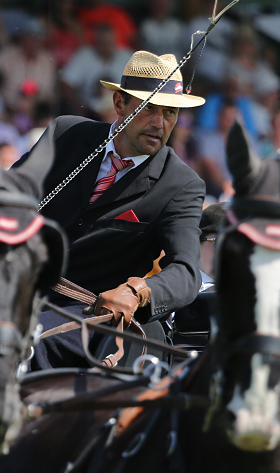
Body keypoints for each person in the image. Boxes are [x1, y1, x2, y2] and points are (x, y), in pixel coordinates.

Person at [11, 51, 206, 371]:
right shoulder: (65, 133)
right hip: (13, 289)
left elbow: (186, 273)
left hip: (88, 318)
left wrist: (138, 292)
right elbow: (8, 195)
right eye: (149, 109)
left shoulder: (181, 184)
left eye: (170, 113)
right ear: (119, 104)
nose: (160, 123)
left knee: (18, 346)